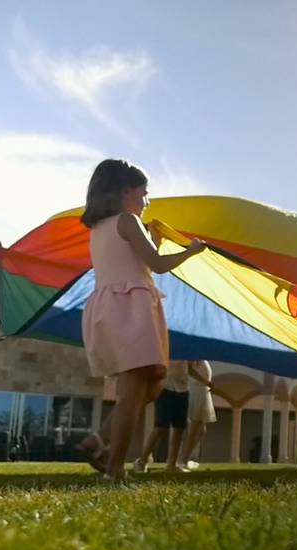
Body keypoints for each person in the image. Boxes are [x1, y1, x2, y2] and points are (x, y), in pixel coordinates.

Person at [76, 159, 204, 481]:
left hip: (111, 306)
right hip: (130, 307)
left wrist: (153, 242)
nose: (147, 200)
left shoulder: (101, 228)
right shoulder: (129, 220)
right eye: (144, 193)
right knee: (136, 389)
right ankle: (115, 469)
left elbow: (137, 261)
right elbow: (158, 265)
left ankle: (99, 439)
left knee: (150, 385)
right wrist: (191, 251)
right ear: (125, 192)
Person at [135, 360, 210, 473]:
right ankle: (142, 461)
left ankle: (172, 464)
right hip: (165, 387)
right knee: (161, 426)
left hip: (182, 390)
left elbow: (189, 369)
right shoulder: (167, 345)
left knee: (179, 428)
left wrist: (205, 381)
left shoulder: (185, 349)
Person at [177, 360, 216, 470]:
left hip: (202, 390)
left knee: (201, 430)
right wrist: (205, 381)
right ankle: (182, 460)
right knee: (195, 429)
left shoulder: (201, 357)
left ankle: (185, 458)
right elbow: (190, 370)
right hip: (197, 389)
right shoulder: (193, 355)